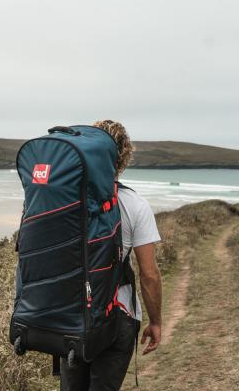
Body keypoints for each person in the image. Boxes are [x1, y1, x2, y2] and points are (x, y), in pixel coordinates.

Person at [60, 120, 163, 391]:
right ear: (123, 158)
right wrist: (155, 322)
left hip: (70, 314)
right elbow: (149, 274)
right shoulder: (135, 205)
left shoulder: (65, 200)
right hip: (117, 317)